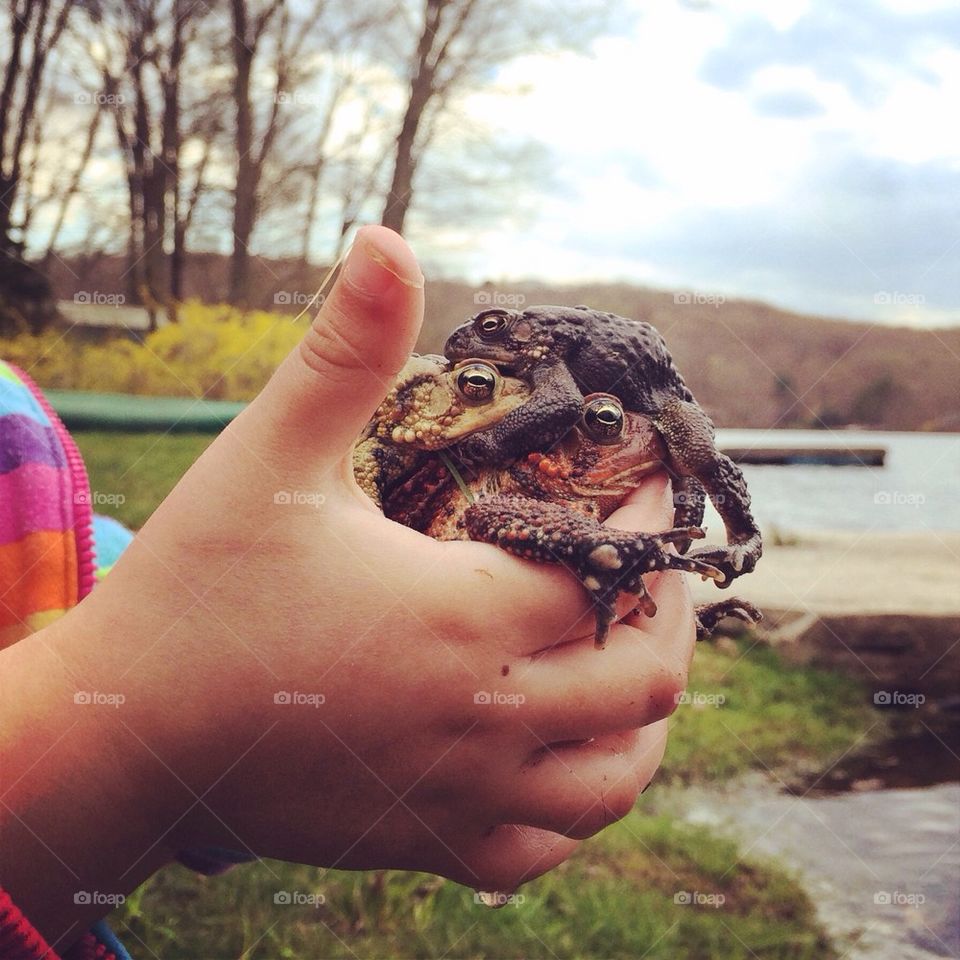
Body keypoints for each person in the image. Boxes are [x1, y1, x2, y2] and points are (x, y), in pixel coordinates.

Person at [0, 226, 697, 958]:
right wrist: (138, 747)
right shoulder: (387, 445)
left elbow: (119, 586)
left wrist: (253, 763)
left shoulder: (49, 504)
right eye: (480, 387)